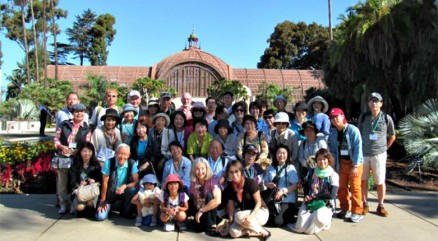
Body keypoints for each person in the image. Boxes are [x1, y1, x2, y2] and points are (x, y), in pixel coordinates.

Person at [358, 92, 396, 217]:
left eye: (376, 101)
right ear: (368, 103)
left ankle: (380, 205)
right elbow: (358, 135)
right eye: (371, 101)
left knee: (379, 181)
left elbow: (392, 136)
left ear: (381, 103)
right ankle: (365, 204)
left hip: (379, 154)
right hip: (364, 154)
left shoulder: (386, 118)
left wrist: (385, 148)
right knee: (363, 180)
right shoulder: (363, 117)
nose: (374, 103)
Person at [289, 148, 339, 234]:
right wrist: (306, 196)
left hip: (325, 203)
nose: (322, 162)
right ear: (316, 160)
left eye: (324, 159)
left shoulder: (333, 175)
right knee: (300, 227)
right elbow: (307, 188)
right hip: (311, 202)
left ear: (328, 160)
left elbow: (332, 195)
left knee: (314, 224)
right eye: (319, 159)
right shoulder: (312, 172)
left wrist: (316, 196)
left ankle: (326, 221)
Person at [54, 103, 91, 214]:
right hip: (64, 157)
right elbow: (56, 139)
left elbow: (87, 144)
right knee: (62, 182)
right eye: (76, 111)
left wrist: (78, 150)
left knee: (75, 182)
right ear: (72, 113)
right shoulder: (64, 125)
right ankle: (63, 204)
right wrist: (61, 146)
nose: (79, 113)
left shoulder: (86, 128)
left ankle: (73, 204)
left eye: (82, 111)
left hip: (77, 158)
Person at [328, 108, 364, 223]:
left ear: (342, 116)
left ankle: (357, 211)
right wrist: (333, 165)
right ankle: (344, 208)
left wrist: (355, 165)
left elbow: (358, 148)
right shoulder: (333, 133)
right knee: (341, 187)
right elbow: (332, 150)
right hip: (341, 162)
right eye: (332, 118)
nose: (335, 119)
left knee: (355, 187)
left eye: (336, 116)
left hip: (354, 162)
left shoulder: (353, 130)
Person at [224, 160, 271, 240]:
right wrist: (231, 223)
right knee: (233, 231)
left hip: (260, 212)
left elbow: (259, 203)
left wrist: (251, 216)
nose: (234, 175)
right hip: (244, 216)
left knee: (238, 216)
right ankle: (255, 231)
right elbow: (231, 208)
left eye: (236, 171)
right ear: (228, 174)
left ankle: (264, 232)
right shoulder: (230, 187)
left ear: (241, 171)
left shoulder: (250, 183)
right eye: (231, 172)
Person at [96, 144, 139, 221]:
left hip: (123, 193)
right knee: (100, 217)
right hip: (110, 194)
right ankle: (110, 207)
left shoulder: (132, 163)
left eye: (125, 154)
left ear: (129, 155)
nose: (122, 157)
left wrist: (125, 186)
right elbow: (104, 182)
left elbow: (136, 182)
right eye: (120, 153)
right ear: (115, 153)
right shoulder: (109, 162)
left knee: (132, 189)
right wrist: (103, 200)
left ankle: (125, 211)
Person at [263, 144, 298, 227]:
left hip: (286, 199)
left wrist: (283, 191)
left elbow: (295, 185)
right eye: (279, 153)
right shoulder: (271, 167)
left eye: (284, 153)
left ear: (287, 155)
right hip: (273, 199)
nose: (281, 155)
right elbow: (265, 182)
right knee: (266, 221)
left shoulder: (290, 167)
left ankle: (289, 216)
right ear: (275, 154)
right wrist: (268, 184)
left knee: (277, 222)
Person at [189, 157, 222, 236]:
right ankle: (205, 222)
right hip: (202, 205)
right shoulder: (194, 181)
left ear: (207, 169)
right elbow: (196, 200)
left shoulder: (213, 178)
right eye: (197, 169)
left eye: (202, 168)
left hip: (215, 209)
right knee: (197, 228)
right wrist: (199, 211)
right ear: (193, 170)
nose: (200, 172)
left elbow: (217, 200)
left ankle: (212, 224)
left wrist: (201, 211)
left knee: (209, 195)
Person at [69, 142, 101, 217]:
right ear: (80, 152)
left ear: (92, 152)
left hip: (91, 192)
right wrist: (79, 184)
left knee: (90, 202)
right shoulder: (75, 165)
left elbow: (100, 180)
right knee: (80, 207)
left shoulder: (95, 165)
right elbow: (72, 182)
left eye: (89, 151)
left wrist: (94, 181)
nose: (87, 154)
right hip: (80, 193)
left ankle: (91, 211)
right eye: (84, 151)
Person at [298, 121, 327, 194]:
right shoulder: (303, 143)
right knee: (308, 192)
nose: (308, 132)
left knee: (321, 191)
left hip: (321, 170)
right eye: (306, 130)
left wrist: (316, 163)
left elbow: (325, 156)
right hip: (308, 172)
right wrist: (308, 163)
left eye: (311, 130)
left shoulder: (321, 142)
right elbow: (300, 157)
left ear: (315, 131)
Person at [149, 113, 175, 181]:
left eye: (162, 120)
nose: (160, 122)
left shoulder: (169, 132)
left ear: (165, 122)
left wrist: (163, 160)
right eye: (158, 120)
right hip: (153, 157)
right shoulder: (150, 131)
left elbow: (172, 148)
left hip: (165, 157)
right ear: (155, 121)